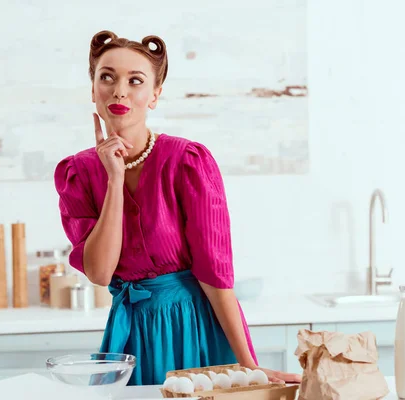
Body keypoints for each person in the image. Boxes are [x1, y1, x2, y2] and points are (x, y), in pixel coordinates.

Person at [54, 30, 302, 386]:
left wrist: (250, 365)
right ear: (93, 90)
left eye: (135, 80)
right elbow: (100, 272)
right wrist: (114, 179)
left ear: (154, 95)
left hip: (194, 327)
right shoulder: (77, 173)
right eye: (106, 77)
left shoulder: (187, 161)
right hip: (130, 336)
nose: (119, 90)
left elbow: (214, 274)